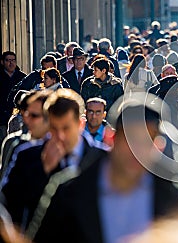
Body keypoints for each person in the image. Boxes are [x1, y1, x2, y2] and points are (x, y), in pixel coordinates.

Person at [34, 96, 178, 243]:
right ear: (111, 138)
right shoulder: (71, 193)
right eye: (130, 140)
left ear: (158, 146)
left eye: (147, 141)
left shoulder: (175, 199)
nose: (137, 150)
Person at [0, 89, 107, 230]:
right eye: (54, 128)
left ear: (81, 124)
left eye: (66, 128)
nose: (60, 136)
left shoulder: (104, 160)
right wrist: (42, 172)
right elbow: (7, 204)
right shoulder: (27, 156)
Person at [0, 90, 51, 180]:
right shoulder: (18, 147)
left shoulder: (62, 150)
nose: (27, 120)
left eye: (34, 115)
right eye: (27, 114)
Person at [0, 51, 26, 143]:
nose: (11, 63)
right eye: (8, 60)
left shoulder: (22, 77)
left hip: (18, 117)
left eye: (13, 60)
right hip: (2, 118)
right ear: (2, 62)